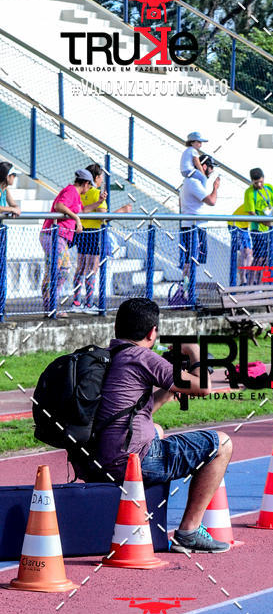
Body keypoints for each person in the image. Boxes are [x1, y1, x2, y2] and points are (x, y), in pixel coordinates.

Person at [95, 298, 232, 554]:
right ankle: (189, 531)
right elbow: (203, 386)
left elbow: (137, 411)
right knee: (222, 443)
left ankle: (144, 518)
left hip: (99, 458)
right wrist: (192, 350)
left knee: (155, 429)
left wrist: (168, 391)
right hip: (132, 461)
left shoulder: (109, 355)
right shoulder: (143, 356)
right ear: (151, 332)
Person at [72, 162, 132, 312]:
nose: (102, 181)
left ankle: (76, 302)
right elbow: (104, 218)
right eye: (101, 178)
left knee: (80, 267)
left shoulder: (81, 192)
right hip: (94, 233)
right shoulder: (95, 193)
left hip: (81, 231)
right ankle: (89, 303)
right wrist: (123, 210)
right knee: (92, 268)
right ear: (96, 178)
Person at [40, 169, 94, 317]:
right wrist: (76, 219)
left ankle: (50, 307)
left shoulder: (76, 195)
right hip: (53, 235)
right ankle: (51, 307)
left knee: (58, 270)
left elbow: (81, 211)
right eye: (90, 186)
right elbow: (59, 206)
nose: (89, 189)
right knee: (60, 269)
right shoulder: (71, 191)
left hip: (58, 236)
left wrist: (99, 202)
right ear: (86, 183)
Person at [179, 155, 220, 295]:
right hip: (193, 227)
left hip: (195, 226)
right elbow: (211, 201)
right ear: (203, 167)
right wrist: (215, 188)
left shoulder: (192, 181)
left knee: (192, 262)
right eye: (211, 167)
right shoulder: (193, 182)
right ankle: (185, 293)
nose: (212, 171)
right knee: (190, 261)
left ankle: (187, 292)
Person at [244, 168, 273, 282]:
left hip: (270, 229)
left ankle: (260, 283)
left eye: (261, 181)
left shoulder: (269, 188)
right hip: (257, 229)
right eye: (256, 182)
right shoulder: (249, 192)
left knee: (266, 259)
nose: (259, 184)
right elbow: (252, 213)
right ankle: (250, 284)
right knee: (258, 258)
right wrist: (266, 222)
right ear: (252, 181)